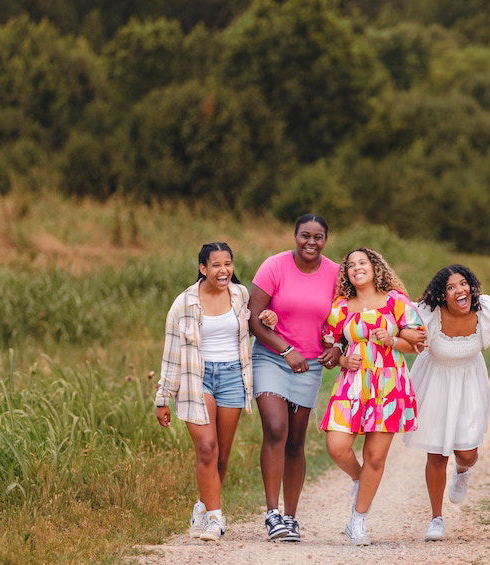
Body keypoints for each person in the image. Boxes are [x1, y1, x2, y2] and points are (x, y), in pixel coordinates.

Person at [248, 214, 343, 543]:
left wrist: (338, 348)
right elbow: (254, 320)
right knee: (275, 428)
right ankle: (272, 514)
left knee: (295, 441)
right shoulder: (273, 267)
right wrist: (285, 349)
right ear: (295, 236)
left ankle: (291, 516)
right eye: (305, 236)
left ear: (325, 240)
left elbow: (345, 319)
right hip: (271, 357)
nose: (311, 243)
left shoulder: (335, 274)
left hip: (311, 365)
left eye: (318, 237)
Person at [321, 247, 424, 546]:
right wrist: (341, 360)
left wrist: (392, 339)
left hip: (388, 383)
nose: (356, 268)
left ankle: (358, 521)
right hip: (352, 382)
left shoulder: (396, 301)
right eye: (351, 265)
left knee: (375, 458)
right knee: (336, 445)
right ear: (347, 273)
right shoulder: (340, 306)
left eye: (362, 262)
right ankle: (358, 479)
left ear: (375, 267)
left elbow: (417, 341)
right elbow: (330, 342)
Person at [155, 242, 253, 543]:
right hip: (197, 378)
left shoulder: (240, 295)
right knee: (207, 448)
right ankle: (214, 519)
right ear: (203, 268)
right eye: (216, 265)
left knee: (221, 455)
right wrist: (163, 397)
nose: (223, 271)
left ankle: (203, 505)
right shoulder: (183, 303)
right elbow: (172, 354)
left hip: (233, 376)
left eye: (228, 264)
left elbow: (247, 333)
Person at [401, 265, 490, 541]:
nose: (460, 290)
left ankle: (462, 471)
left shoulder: (486, 311)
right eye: (451, 287)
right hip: (434, 383)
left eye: (463, 284)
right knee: (436, 453)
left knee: (467, 453)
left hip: (470, 383)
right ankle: (436, 518)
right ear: (441, 296)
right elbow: (404, 331)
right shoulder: (429, 314)